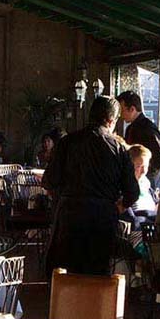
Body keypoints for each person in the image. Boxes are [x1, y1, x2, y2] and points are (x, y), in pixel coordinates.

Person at [43, 96, 139, 276]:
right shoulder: (119, 149)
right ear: (111, 120)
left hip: (69, 216)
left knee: (66, 273)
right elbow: (132, 192)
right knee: (96, 275)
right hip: (102, 219)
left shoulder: (67, 143)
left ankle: (64, 304)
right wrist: (116, 207)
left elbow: (49, 180)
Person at [116, 91, 160, 180]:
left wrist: (146, 172)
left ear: (132, 109)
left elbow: (159, 155)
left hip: (144, 177)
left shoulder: (148, 128)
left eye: (122, 110)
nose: (120, 115)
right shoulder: (130, 128)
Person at [127, 145, 157, 218]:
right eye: (139, 166)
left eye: (145, 166)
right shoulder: (124, 184)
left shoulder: (145, 182)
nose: (143, 171)